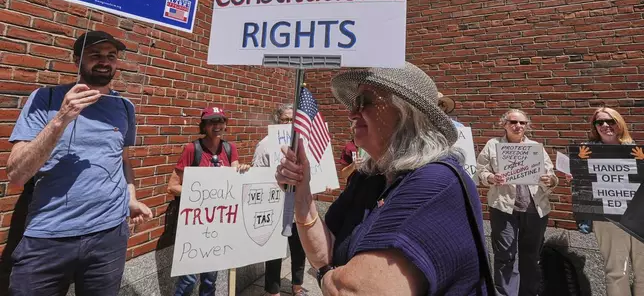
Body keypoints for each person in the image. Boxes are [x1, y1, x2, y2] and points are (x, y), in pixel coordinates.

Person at [275, 62, 493, 295]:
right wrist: (302, 192)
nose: (351, 113)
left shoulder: (437, 181)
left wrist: (331, 279)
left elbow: (353, 291)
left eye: (363, 102)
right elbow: (326, 251)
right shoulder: (369, 177)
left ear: (405, 113)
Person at [6, 30, 153, 296]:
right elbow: (16, 174)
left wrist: (131, 198)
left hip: (109, 235)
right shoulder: (46, 99)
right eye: (95, 55)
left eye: (111, 56)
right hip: (48, 236)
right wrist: (61, 118)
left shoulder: (125, 106)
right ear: (77, 61)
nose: (104, 61)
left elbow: (123, 160)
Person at [167, 105, 249, 296]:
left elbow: (234, 180)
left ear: (225, 124)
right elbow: (172, 186)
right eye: (211, 121)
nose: (216, 125)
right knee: (188, 279)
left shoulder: (230, 149)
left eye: (220, 120)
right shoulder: (192, 149)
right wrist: (203, 192)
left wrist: (243, 171)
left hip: (217, 225)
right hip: (193, 224)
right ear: (203, 126)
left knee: (210, 279)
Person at [476, 109, 558, 296]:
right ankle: (505, 293)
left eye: (522, 123)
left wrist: (550, 181)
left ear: (527, 126)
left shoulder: (536, 147)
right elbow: (481, 171)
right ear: (504, 124)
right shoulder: (493, 145)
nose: (518, 126)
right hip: (504, 207)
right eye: (513, 122)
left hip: (535, 208)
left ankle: (528, 292)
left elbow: (551, 175)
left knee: (531, 256)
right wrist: (491, 178)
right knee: (505, 254)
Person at [252, 104, 308, 296]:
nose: (290, 123)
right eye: (286, 119)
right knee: (274, 253)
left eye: (293, 120)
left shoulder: (303, 144)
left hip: (298, 207)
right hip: (275, 207)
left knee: (299, 249)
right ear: (277, 121)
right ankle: (272, 290)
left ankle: (297, 287)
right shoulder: (265, 144)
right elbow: (257, 175)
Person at [585, 107, 640, 296]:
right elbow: (583, 186)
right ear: (595, 127)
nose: (605, 125)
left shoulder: (636, 150)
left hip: (639, 216)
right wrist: (577, 178)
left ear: (619, 123)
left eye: (611, 121)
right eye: (599, 122)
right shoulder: (586, 152)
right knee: (616, 272)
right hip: (607, 217)